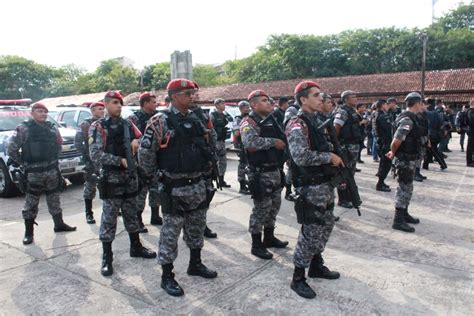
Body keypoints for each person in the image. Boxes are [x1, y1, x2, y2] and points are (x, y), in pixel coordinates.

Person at [138, 79, 218, 297]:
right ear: (173, 96)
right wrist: (157, 178)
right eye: (187, 93)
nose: (192, 96)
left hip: (197, 184)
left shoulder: (196, 118)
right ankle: (167, 276)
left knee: (196, 227)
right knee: (170, 234)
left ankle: (195, 264)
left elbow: (205, 146)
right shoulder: (159, 121)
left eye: (193, 93)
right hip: (174, 188)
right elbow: (145, 154)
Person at [286, 81, 344, 299]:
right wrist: (329, 157)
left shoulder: (319, 121)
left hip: (325, 184)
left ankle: (316, 265)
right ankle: (298, 277)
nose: (322, 98)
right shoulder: (296, 124)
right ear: (303, 99)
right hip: (310, 186)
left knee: (326, 226)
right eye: (316, 95)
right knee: (310, 231)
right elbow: (300, 156)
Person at [89, 91, 156, 277]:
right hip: (111, 179)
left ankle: (136, 247)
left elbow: (142, 138)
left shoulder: (127, 123)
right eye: (114, 102)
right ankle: (107, 257)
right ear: (106, 105)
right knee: (109, 219)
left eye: (120, 103)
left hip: (130, 179)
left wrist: (136, 139)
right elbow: (95, 154)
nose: (118, 106)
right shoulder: (98, 127)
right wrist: (119, 161)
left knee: (132, 215)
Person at [8, 103, 76, 245]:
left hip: (51, 170)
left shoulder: (52, 128)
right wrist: (24, 163)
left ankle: (59, 225)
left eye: (45, 112)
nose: (43, 114)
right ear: (32, 113)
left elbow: (58, 145)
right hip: (33, 172)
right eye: (40, 111)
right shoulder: (24, 129)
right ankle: (29, 233)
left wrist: (54, 161)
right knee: (31, 202)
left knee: (54, 198)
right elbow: (12, 150)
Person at [240, 89, 289, 260]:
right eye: (264, 100)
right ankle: (256, 244)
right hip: (260, 173)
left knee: (274, 206)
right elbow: (250, 142)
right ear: (254, 104)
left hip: (274, 169)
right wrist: (273, 142)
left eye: (269, 100)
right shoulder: (249, 122)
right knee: (261, 209)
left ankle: (269, 237)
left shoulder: (271, 120)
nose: (269, 103)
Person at [386, 92, 424, 233]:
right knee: (403, 189)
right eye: (421, 103)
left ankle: (404, 214)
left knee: (408, 188)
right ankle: (398, 220)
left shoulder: (411, 118)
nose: (422, 106)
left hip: (410, 159)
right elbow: (397, 140)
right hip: (405, 160)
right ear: (416, 103)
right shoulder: (407, 120)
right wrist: (393, 152)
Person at [127, 92, 162, 232]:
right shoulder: (133, 119)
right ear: (145, 103)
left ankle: (155, 216)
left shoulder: (158, 117)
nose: (156, 104)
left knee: (156, 190)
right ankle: (138, 220)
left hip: (156, 160)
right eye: (153, 102)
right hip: (139, 162)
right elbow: (129, 140)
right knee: (140, 191)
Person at [189, 81, 218, 238]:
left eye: (196, 92)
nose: (196, 95)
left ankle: (201, 224)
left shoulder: (202, 113)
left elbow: (211, 134)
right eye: (192, 92)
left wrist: (212, 158)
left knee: (206, 193)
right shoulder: (172, 115)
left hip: (203, 162)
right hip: (185, 165)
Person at [75, 101, 105, 224]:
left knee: (106, 185)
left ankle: (108, 210)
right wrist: (86, 157)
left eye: (103, 109)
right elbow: (77, 142)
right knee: (90, 188)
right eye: (99, 109)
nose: (102, 111)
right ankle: (89, 213)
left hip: (104, 160)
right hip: (91, 161)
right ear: (92, 111)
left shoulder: (105, 123)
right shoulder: (85, 125)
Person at [333, 90, 362, 208]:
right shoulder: (343, 112)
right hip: (346, 147)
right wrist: (337, 145)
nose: (355, 99)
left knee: (350, 173)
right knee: (344, 173)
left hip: (353, 147)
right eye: (352, 97)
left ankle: (349, 196)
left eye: (355, 96)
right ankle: (343, 199)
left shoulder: (352, 111)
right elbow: (336, 128)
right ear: (346, 99)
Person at [210, 98, 233, 188]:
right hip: (215, 142)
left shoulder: (224, 115)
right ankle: (211, 181)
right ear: (217, 105)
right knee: (214, 162)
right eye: (222, 104)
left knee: (223, 162)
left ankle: (221, 180)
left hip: (222, 141)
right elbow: (210, 128)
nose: (224, 105)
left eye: (224, 103)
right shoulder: (213, 115)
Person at [373, 99, 392, 192]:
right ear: (382, 105)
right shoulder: (382, 116)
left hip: (381, 142)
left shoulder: (377, 114)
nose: (387, 106)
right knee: (386, 164)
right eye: (386, 104)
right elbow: (389, 129)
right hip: (385, 143)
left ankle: (381, 182)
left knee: (383, 163)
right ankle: (380, 184)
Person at [233, 100, 251, 194]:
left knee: (249, 165)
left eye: (248, 107)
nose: (248, 109)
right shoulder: (238, 119)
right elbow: (236, 133)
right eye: (246, 107)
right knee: (242, 165)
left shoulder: (250, 117)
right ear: (241, 108)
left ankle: (250, 184)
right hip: (242, 145)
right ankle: (242, 186)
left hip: (250, 145)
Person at [466, 99, 474, 167]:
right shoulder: (470, 111)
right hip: (471, 131)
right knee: (470, 147)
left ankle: (472, 160)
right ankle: (469, 162)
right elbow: (472, 121)